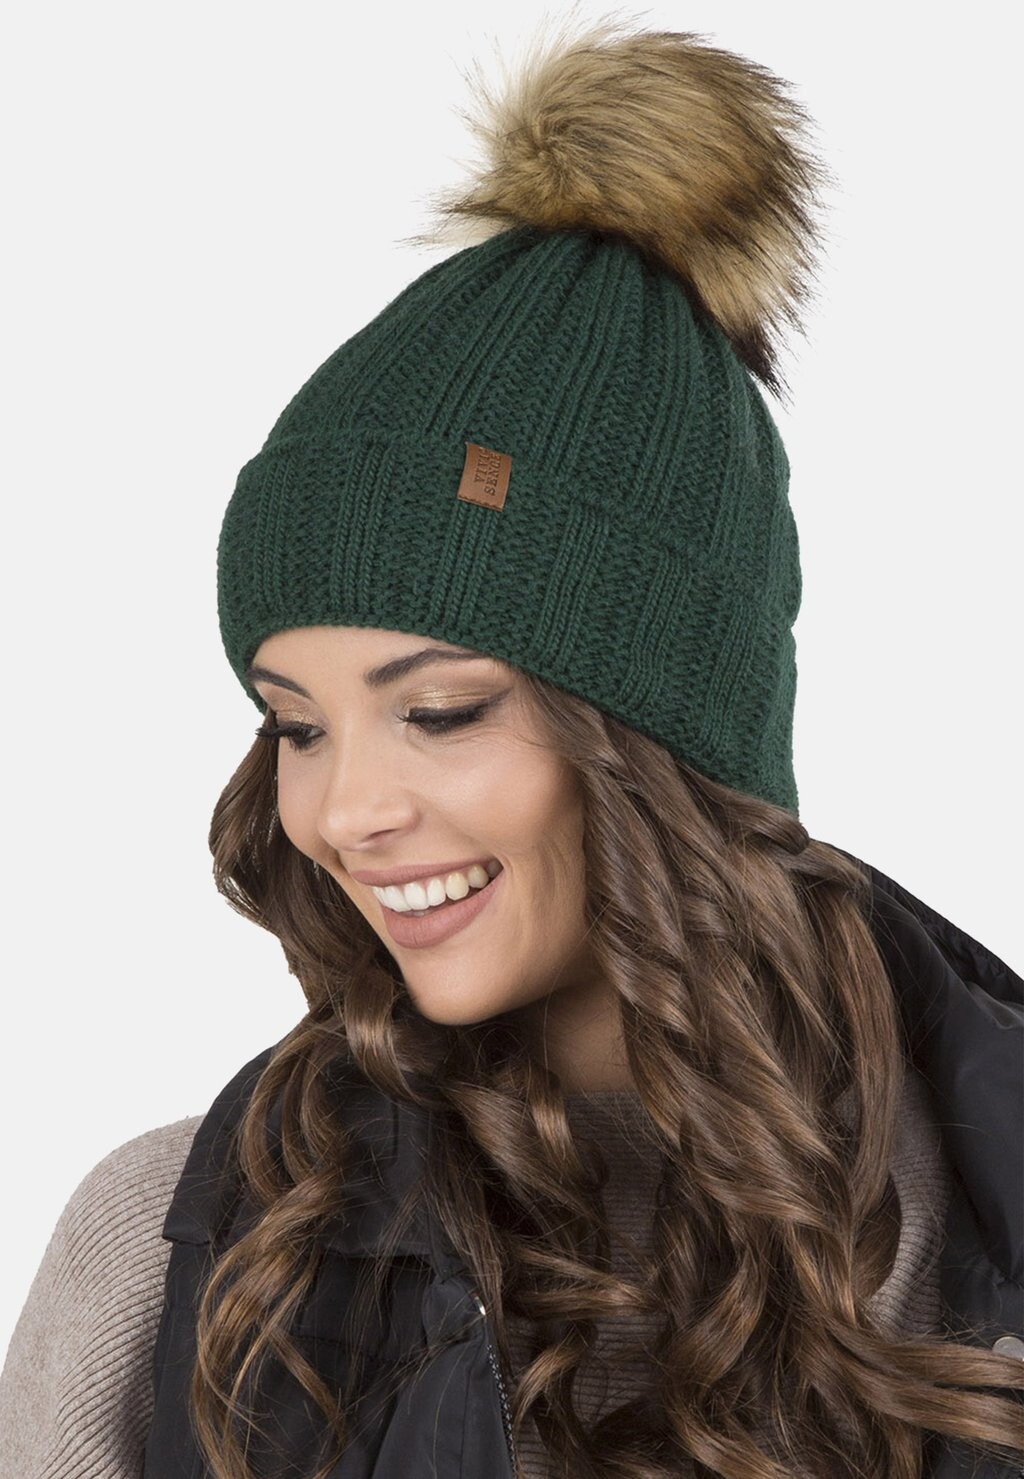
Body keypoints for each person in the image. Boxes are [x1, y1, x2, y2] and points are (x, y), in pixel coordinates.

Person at [1, 16, 1021, 1479]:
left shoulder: (983, 1219)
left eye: (439, 711)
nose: (344, 811)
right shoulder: (177, 1252)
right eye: (296, 726)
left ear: (663, 735)